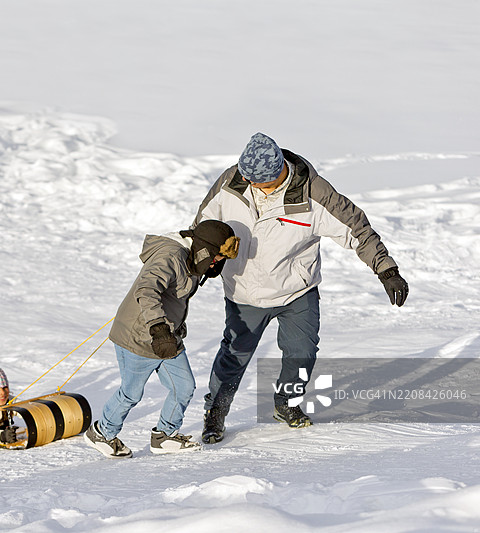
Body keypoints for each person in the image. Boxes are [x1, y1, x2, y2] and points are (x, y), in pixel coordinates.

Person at [192, 132, 409, 443]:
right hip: (244, 292)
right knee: (234, 355)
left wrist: (386, 270)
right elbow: (203, 224)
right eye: (247, 178)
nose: (252, 186)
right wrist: (203, 258)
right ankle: (216, 411)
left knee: (302, 353)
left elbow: (355, 227)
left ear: (279, 170)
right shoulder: (233, 181)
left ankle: (287, 403)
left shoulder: (313, 193)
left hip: (297, 291)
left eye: (260, 182)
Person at [84, 220, 240, 458]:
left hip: (168, 336)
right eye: (217, 256)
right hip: (140, 335)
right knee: (131, 393)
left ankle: (164, 436)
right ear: (204, 249)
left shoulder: (190, 258)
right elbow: (147, 290)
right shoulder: (170, 256)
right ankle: (102, 433)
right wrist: (158, 328)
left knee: (184, 387)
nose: (218, 262)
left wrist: (170, 329)